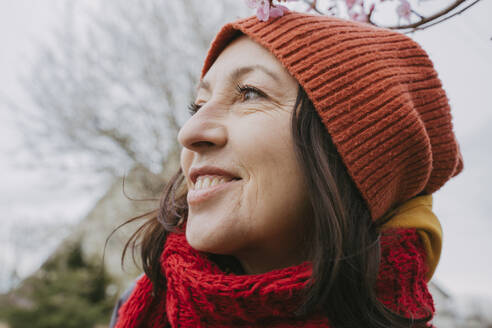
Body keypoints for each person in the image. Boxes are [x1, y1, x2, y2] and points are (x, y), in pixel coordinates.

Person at [110, 10, 463, 328]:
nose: (189, 133)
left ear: (349, 155)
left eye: (249, 94)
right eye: (198, 105)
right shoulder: (137, 310)